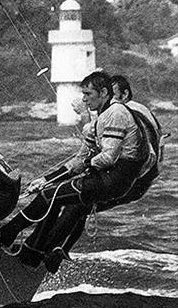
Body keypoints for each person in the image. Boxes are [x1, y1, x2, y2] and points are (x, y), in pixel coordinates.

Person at [0, 71, 149, 271]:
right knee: (50, 192)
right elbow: (79, 158)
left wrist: (86, 164)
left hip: (114, 181)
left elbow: (108, 157)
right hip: (107, 178)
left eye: (88, 94)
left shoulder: (116, 113)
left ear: (104, 92)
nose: (84, 99)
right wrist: (45, 178)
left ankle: (4, 238)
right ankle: (34, 252)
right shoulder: (100, 120)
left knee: (50, 197)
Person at [33, 74, 164, 272]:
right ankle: (57, 251)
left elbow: (145, 155)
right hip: (137, 181)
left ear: (125, 95)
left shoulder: (127, 112)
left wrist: (85, 118)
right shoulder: (135, 112)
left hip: (131, 180)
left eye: (113, 95)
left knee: (73, 202)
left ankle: (41, 251)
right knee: (77, 202)